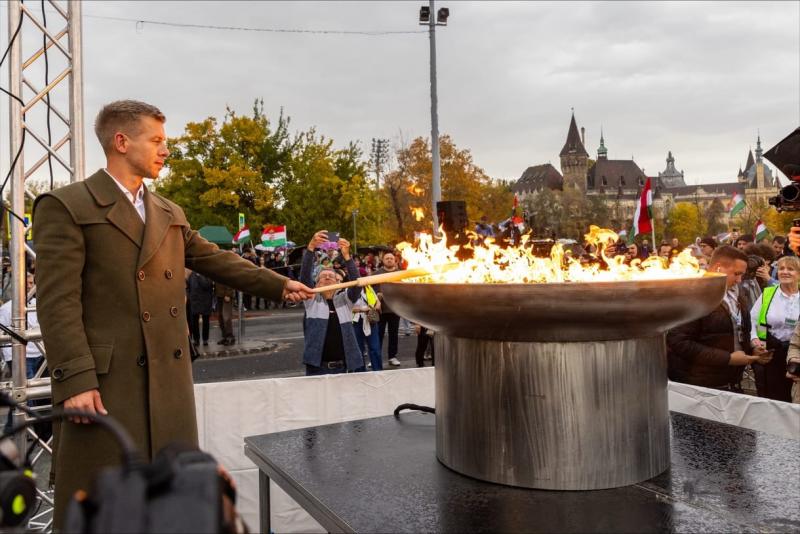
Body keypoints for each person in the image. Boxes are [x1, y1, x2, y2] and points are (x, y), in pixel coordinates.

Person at [31, 100, 313, 527]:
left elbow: (216, 260)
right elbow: (57, 301)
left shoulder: (167, 211)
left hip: (168, 385)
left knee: (173, 507)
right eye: (157, 141)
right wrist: (75, 379)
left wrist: (279, 284)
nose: (166, 150)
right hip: (108, 388)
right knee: (108, 509)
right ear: (121, 142)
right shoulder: (69, 206)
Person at [667, 246, 769, 390]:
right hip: (700, 386)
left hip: (730, 382)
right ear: (719, 268)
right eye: (737, 274)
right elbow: (678, 342)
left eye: (742, 275)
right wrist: (728, 359)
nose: (740, 280)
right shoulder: (692, 295)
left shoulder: (736, 293)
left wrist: (751, 350)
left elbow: (734, 331)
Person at [299, 231, 362, 375]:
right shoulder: (312, 300)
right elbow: (304, 279)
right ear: (317, 284)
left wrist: (347, 256)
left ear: (338, 282)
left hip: (342, 366)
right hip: (317, 367)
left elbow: (357, 284)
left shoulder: (345, 300)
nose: (327, 277)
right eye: (323, 276)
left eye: (331, 276)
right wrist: (311, 248)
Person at [748, 256, 800, 402]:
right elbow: (752, 320)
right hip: (770, 354)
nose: (785, 272)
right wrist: (754, 339)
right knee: (772, 399)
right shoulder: (768, 293)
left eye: (790, 269)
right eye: (782, 268)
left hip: (795, 356)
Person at [374, 251, 403, 367]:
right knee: (378, 334)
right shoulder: (376, 274)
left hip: (395, 309)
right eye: (387, 258)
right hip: (380, 309)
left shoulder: (400, 274)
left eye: (391, 258)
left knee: (393, 334)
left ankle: (392, 356)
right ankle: (376, 357)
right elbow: (369, 290)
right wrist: (377, 295)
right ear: (383, 260)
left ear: (395, 260)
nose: (389, 260)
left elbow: (404, 291)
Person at [351, 285, 382, 371]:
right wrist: (363, 309)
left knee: (375, 348)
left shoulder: (369, 288)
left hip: (370, 320)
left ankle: (378, 372)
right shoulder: (349, 290)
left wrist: (375, 307)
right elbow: (348, 307)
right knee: (358, 350)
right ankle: (360, 373)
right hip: (356, 321)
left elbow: (378, 302)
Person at [187, 270, 214, 347]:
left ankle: (205, 339)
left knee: (206, 321)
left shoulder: (207, 273)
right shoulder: (192, 274)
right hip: (195, 301)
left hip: (205, 301)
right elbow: (189, 286)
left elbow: (207, 285)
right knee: (194, 322)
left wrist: (199, 276)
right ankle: (196, 340)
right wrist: (190, 296)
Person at [215, 281, 236, 345]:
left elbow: (229, 279)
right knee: (220, 317)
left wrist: (228, 294)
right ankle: (225, 336)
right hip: (219, 294)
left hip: (226, 295)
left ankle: (230, 337)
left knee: (226, 317)